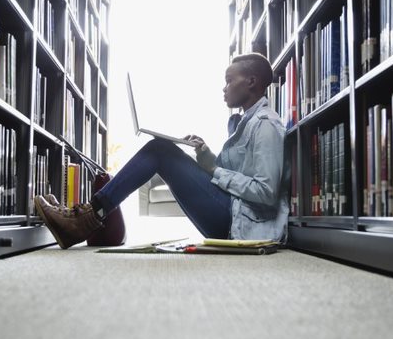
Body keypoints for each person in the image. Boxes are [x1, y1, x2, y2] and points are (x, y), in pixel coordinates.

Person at [34, 52, 288, 249]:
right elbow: (227, 175)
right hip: (232, 214)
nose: (224, 87)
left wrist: (215, 170)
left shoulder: (266, 125)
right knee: (161, 150)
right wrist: (207, 159)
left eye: (229, 80)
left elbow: (266, 192)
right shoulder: (241, 122)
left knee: (160, 151)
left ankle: (84, 220)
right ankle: (86, 217)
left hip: (242, 225)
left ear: (252, 82)